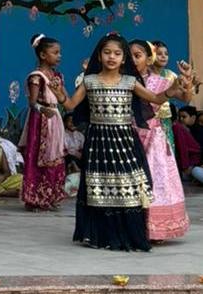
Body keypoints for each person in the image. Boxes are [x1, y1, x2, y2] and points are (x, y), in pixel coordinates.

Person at [51, 33, 189, 251]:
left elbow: (154, 98)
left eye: (117, 53)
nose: (111, 57)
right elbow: (70, 105)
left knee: (129, 186)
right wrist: (60, 94)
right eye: (107, 53)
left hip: (125, 141)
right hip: (98, 141)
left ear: (124, 58)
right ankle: (101, 236)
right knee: (99, 188)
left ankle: (128, 234)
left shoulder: (130, 82)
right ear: (99, 55)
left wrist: (173, 89)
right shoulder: (89, 81)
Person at [128, 40, 191, 241]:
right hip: (128, 136)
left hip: (153, 138)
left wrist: (187, 80)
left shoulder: (159, 81)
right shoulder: (123, 81)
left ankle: (156, 228)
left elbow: (186, 98)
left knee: (157, 179)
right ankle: (131, 227)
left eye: (137, 56)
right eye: (129, 56)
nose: (132, 60)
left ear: (149, 59)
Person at [19, 34, 67, 211]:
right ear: (43, 55)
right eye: (55, 52)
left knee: (55, 158)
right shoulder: (36, 77)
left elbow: (64, 97)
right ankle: (35, 199)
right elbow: (32, 102)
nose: (59, 56)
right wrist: (42, 110)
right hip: (41, 121)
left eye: (59, 52)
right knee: (39, 158)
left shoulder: (57, 75)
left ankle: (51, 196)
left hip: (55, 118)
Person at [174, 106, 202, 173]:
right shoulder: (182, 128)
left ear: (193, 118)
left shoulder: (198, 131)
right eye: (179, 117)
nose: (181, 119)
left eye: (184, 117)